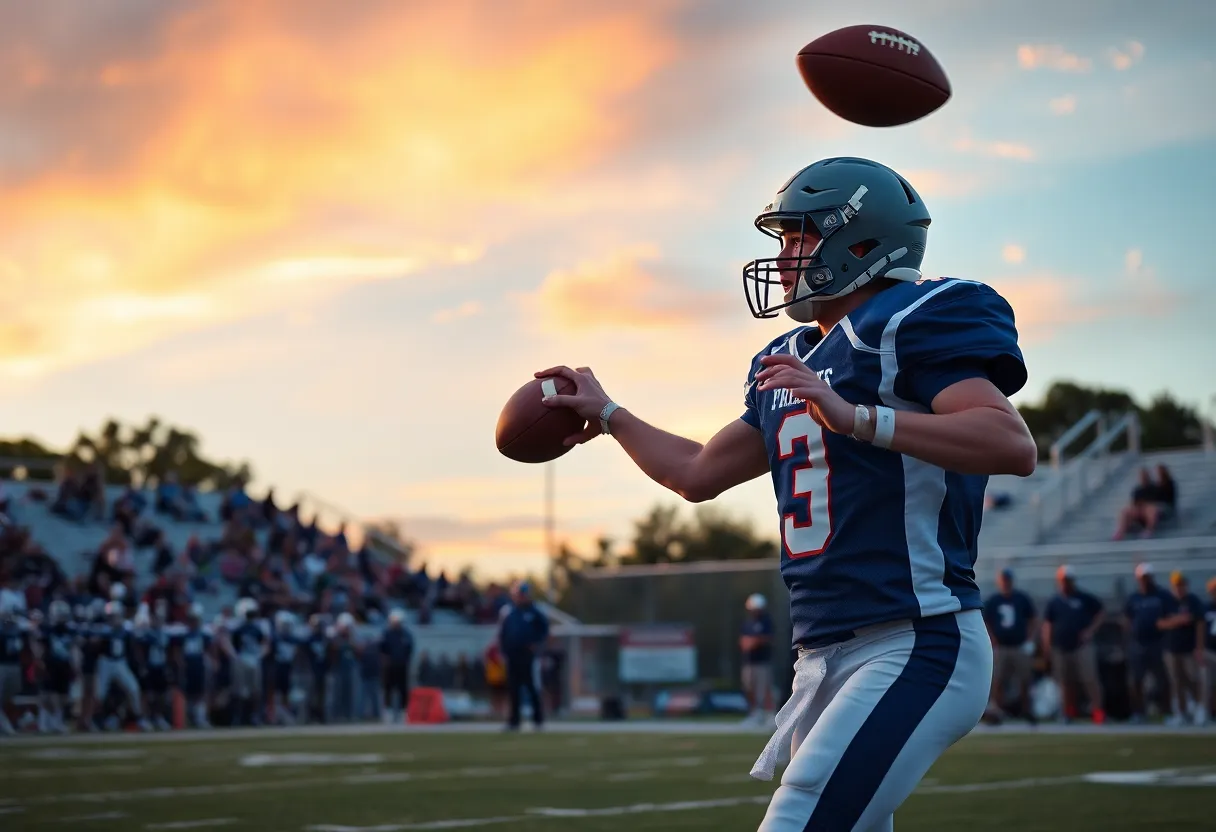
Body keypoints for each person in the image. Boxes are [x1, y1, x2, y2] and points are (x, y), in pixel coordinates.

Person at [538, 157, 1035, 830]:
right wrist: (613, 416)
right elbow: (697, 473)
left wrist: (856, 417)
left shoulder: (906, 321)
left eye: (799, 237)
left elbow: (1010, 443)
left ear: (860, 243)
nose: (784, 256)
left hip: (917, 638)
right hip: (823, 653)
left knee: (800, 816)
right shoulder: (789, 356)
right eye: (783, 239)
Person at [1041, 565, 1106, 724]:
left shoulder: (1083, 598)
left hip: (1081, 645)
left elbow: (1101, 612)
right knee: (1064, 681)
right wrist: (1047, 646)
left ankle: (1098, 711)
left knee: (1089, 678)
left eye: (1068, 580)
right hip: (1060, 646)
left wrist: (1090, 630)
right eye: (1063, 581)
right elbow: (1048, 625)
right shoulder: (1055, 601)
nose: (1065, 584)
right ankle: (1068, 712)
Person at [982, 568, 1037, 724]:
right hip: (1002, 646)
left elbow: (1033, 619)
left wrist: (1030, 639)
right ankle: (998, 712)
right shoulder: (994, 600)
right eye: (1003, 580)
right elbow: (986, 621)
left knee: (1025, 679)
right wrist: (992, 639)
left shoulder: (1021, 598)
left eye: (1007, 580)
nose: (1005, 583)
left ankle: (1027, 710)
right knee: (998, 680)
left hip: (1019, 645)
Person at [1123, 562, 1176, 722]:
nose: (1144, 581)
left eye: (1147, 577)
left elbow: (1172, 616)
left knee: (1163, 679)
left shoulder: (1163, 595)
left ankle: (1166, 712)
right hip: (1138, 643)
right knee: (1135, 680)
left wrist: (1164, 627)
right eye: (1142, 578)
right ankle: (1139, 712)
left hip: (1158, 643)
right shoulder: (1134, 597)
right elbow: (1127, 618)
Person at [498, 581, 549, 731]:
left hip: (527, 654)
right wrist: (503, 649)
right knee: (513, 688)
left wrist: (536, 644)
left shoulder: (534, 612)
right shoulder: (510, 611)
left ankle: (538, 720)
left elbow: (544, 630)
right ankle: (514, 721)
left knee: (531, 686)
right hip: (512, 654)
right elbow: (503, 632)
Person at [1161, 571, 1205, 725]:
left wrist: (1199, 647)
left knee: (1193, 679)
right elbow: (1159, 623)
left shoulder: (1193, 600)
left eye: (1181, 585)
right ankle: (1181, 712)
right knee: (1176, 682)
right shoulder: (1166, 601)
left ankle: (1200, 709)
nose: (1179, 588)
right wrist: (1178, 620)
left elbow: (1199, 623)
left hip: (1189, 648)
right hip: (1171, 648)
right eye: (1176, 585)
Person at [740, 593, 775, 725]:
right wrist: (753, 641)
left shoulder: (766, 621)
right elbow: (743, 641)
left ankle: (769, 714)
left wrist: (754, 641)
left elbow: (767, 638)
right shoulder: (747, 623)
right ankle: (755, 714)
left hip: (763, 662)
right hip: (749, 662)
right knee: (749, 688)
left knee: (765, 687)